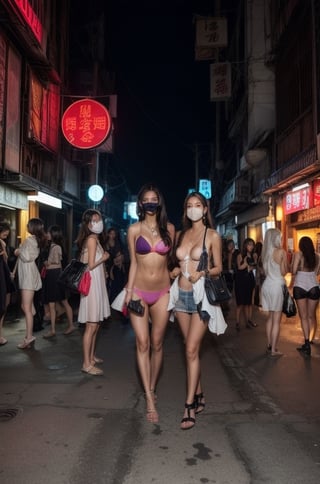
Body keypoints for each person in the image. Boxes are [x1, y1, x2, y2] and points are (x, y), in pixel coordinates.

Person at [168, 191, 225, 430]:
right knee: (189, 350)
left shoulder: (212, 235)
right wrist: (173, 271)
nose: (193, 208)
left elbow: (219, 268)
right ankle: (200, 394)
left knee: (192, 349)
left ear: (205, 209)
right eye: (189, 205)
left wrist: (203, 272)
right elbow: (176, 264)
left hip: (202, 297)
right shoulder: (181, 235)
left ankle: (189, 405)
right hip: (180, 296)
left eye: (197, 205)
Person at [125, 183, 175, 423]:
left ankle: (152, 386)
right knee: (142, 343)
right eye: (146, 199)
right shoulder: (133, 229)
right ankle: (148, 396)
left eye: (154, 198)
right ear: (140, 203)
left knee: (157, 343)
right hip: (138, 292)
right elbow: (133, 263)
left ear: (160, 201)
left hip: (163, 292)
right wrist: (127, 292)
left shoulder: (171, 229)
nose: (151, 202)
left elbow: (171, 261)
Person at [76, 209, 111, 375]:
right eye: (94, 221)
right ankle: (86, 363)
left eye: (99, 219)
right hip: (91, 286)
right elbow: (89, 265)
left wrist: (103, 268)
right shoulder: (91, 239)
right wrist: (103, 259)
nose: (98, 222)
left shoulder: (96, 240)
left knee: (96, 324)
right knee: (91, 325)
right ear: (88, 224)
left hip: (97, 284)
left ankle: (91, 356)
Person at [14, 218, 47, 349]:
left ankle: (29, 337)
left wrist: (18, 251)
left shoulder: (30, 240)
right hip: (29, 274)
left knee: (26, 308)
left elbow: (26, 257)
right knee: (27, 307)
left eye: (28, 224)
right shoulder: (36, 240)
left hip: (28, 276)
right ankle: (31, 324)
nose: (27, 225)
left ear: (32, 227)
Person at [42, 225, 76, 338]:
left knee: (62, 302)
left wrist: (47, 262)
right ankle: (53, 329)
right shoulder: (52, 246)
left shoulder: (56, 247)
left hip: (55, 275)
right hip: (53, 275)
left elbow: (57, 262)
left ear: (53, 234)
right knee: (55, 303)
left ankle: (69, 325)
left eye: (49, 233)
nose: (47, 234)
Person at [260, 228, 289, 357]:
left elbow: (265, 272)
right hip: (277, 286)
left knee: (270, 319)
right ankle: (274, 350)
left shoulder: (265, 253)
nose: (281, 239)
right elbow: (284, 272)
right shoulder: (281, 252)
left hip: (266, 285)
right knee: (277, 320)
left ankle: (269, 345)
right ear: (276, 238)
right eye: (280, 237)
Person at [291, 236, 320, 356]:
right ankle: (312, 338)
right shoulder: (317, 256)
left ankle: (307, 343)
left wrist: (296, 265)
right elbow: (317, 272)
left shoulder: (298, 254)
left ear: (301, 245)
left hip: (300, 286)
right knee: (310, 316)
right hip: (314, 286)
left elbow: (293, 271)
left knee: (303, 317)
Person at [234, 238, 257, 331]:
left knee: (249, 302)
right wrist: (246, 263)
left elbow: (254, 266)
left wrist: (254, 261)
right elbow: (239, 267)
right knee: (240, 303)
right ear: (245, 245)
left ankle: (249, 321)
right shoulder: (240, 255)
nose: (251, 247)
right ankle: (237, 322)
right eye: (249, 244)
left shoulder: (252, 255)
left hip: (250, 279)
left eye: (252, 245)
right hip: (241, 280)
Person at [0, 223, 16, 345]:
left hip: (3, 274)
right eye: (4, 231)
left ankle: (0, 334)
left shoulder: (3, 243)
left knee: (3, 306)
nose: (6, 233)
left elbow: (5, 260)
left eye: (7, 231)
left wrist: (4, 249)